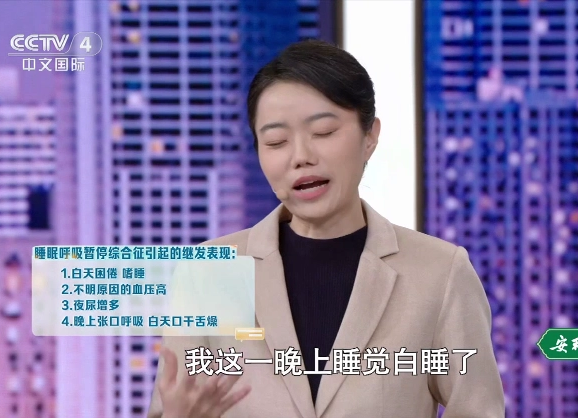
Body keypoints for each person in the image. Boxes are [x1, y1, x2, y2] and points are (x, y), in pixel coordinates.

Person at [147, 39, 504, 418]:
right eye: (276, 141)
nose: (301, 156)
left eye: (324, 132)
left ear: (370, 135)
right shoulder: (206, 274)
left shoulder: (440, 273)